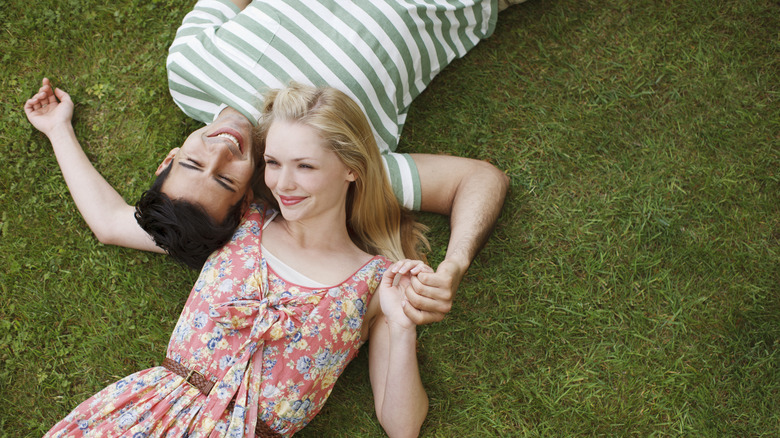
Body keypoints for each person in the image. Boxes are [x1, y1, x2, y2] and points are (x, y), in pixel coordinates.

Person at [25, 0, 516, 325]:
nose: (221, 149)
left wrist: (57, 128)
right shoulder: (326, 158)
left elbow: (113, 223)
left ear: (169, 157)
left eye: (193, 164)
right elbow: (478, 179)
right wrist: (455, 264)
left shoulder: (188, 71)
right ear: (248, 196)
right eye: (224, 177)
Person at [45, 83, 430, 438]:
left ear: (352, 168)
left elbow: (403, 427)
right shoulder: (240, 223)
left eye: (305, 166)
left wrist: (401, 327)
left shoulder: (378, 283)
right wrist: (57, 127)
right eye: (274, 163)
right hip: (148, 418)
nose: (283, 183)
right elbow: (110, 222)